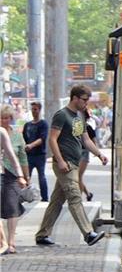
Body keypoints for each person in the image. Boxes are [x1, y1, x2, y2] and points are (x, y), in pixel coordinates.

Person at [34, 85, 108, 247]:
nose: (86, 103)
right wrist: (60, 160)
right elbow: (52, 139)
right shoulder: (61, 115)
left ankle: (42, 234)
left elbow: (86, 139)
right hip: (65, 164)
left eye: (87, 100)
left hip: (74, 163)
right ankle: (88, 233)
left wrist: (99, 154)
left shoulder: (79, 116)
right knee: (75, 197)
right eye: (84, 100)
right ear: (74, 98)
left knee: (56, 201)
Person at [1, 105, 30, 255]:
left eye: (7, 118)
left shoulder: (17, 135)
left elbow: (21, 157)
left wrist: (25, 175)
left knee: (12, 207)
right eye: (2, 118)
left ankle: (11, 242)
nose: (5, 120)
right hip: (1, 173)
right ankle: (3, 241)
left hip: (12, 175)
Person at [23, 101, 49, 201]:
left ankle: (45, 198)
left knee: (41, 176)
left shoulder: (43, 124)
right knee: (26, 176)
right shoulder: (27, 125)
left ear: (39, 110)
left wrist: (31, 145)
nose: (34, 111)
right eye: (32, 109)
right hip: (28, 156)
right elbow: (24, 139)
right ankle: (25, 196)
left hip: (40, 155)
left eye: (35, 109)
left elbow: (42, 139)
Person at [77, 107, 99, 202]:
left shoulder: (88, 128)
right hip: (76, 153)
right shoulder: (76, 128)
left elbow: (94, 142)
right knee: (77, 177)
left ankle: (79, 198)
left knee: (78, 176)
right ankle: (88, 194)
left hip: (84, 153)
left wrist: (96, 153)